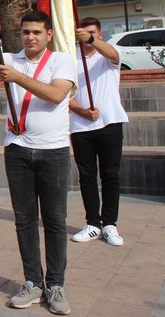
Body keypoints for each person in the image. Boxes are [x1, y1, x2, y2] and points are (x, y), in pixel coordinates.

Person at [0, 11, 76, 315]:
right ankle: (32, 282)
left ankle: (55, 284)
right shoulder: (12, 59)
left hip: (54, 151)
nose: (30, 37)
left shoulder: (61, 61)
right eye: (25, 32)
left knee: (55, 221)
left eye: (36, 32)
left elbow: (57, 94)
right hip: (17, 149)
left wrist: (18, 78)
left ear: (48, 35)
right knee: (24, 220)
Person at [69, 17, 128, 247]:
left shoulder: (108, 56)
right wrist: (82, 111)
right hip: (81, 127)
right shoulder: (71, 59)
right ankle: (93, 223)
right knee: (87, 177)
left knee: (110, 175)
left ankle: (110, 223)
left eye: (92, 33)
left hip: (110, 123)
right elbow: (65, 94)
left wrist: (92, 40)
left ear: (100, 34)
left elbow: (114, 56)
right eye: (83, 34)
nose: (86, 38)